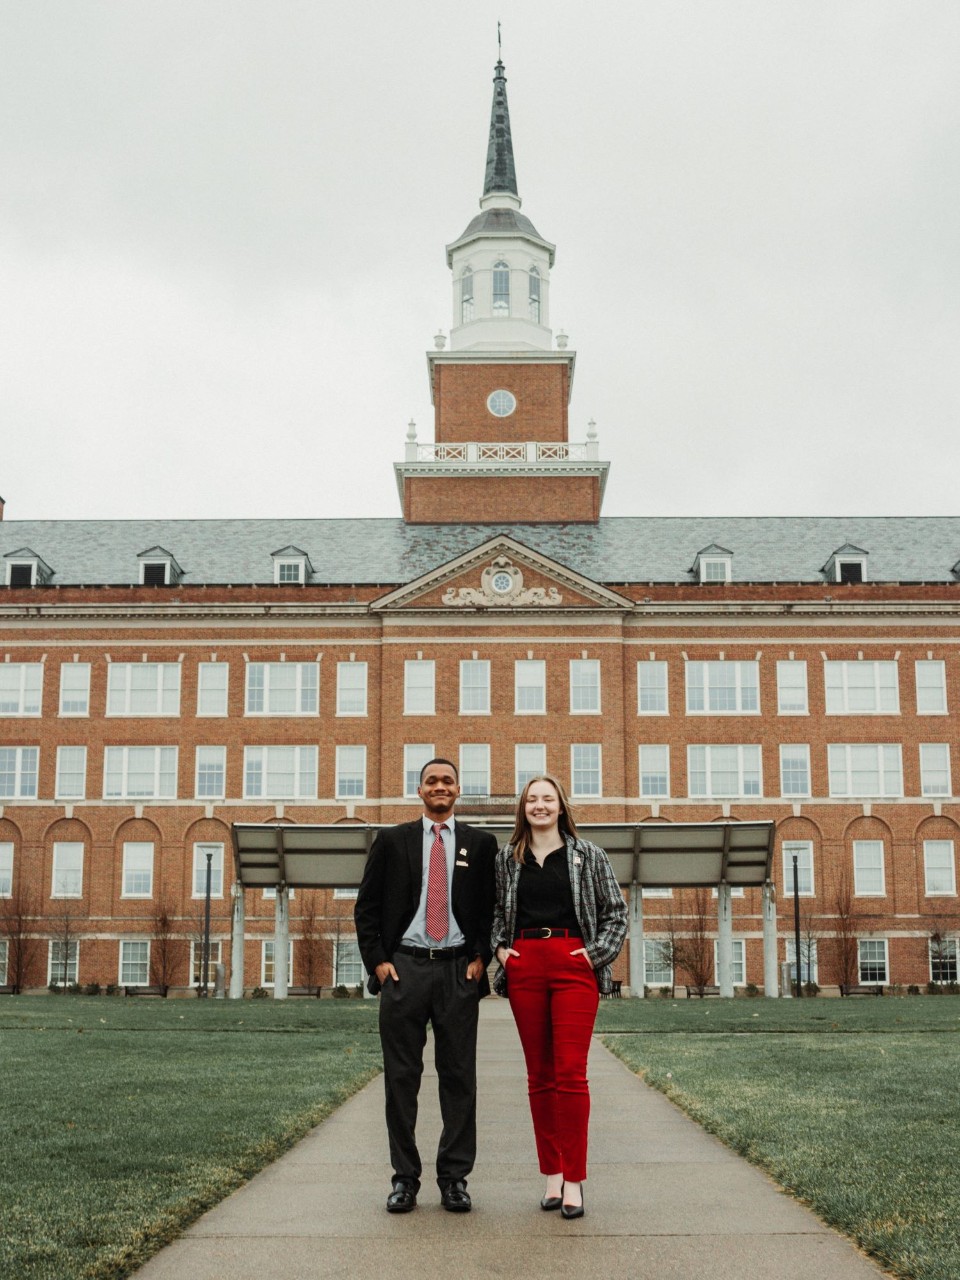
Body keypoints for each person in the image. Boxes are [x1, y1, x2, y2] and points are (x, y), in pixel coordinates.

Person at [355, 757, 497, 1215]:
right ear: (419, 790)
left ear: (458, 789)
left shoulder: (482, 844)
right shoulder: (392, 841)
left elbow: (492, 909)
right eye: (432, 780)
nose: (440, 786)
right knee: (402, 1079)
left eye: (448, 780)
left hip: (458, 972)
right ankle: (404, 1178)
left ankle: (454, 1179)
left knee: (459, 1079)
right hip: (404, 971)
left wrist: (480, 955)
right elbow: (367, 908)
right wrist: (378, 962)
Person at [491, 774, 627, 1220]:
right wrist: (501, 952)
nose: (540, 806)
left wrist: (593, 956)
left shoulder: (589, 856)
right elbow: (495, 912)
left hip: (573, 964)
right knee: (539, 1075)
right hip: (526, 964)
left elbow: (615, 914)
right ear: (523, 808)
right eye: (532, 799)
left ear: (562, 806)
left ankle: (574, 1178)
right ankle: (551, 1172)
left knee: (571, 1073)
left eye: (548, 798)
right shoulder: (507, 860)